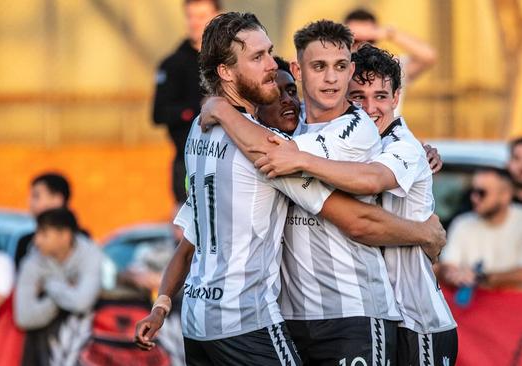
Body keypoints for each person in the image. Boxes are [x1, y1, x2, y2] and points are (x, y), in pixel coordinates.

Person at [134, 13, 446, 365]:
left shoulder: (201, 132)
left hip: (226, 320)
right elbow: (357, 220)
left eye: (341, 66)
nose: (270, 66)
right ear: (226, 72)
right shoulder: (267, 150)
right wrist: (423, 233)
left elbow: (192, 240)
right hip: (248, 320)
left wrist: (162, 305)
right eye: (258, 58)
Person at [253, 44, 457, 365]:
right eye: (359, 96)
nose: (370, 107)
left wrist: (298, 160)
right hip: (370, 311)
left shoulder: (403, 148)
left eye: (380, 96)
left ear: (396, 98)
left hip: (417, 317)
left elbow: (369, 189)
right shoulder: (344, 140)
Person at [152, 0, 221, 207]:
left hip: (229, 161)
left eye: (202, 16)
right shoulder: (173, 64)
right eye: (191, 16)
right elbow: (158, 114)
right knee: (188, 230)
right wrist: (199, 110)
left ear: (218, 16)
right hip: (188, 162)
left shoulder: (231, 59)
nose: (195, 23)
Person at [14, 207, 102, 366]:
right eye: (37, 233)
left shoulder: (91, 254)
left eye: (44, 234)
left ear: (65, 236)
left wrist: (49, 285)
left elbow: (83, 304)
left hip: (84, 347)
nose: (37, 240)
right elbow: (24, 318)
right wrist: (64, 292)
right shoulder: (31, 262)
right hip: (43, 350)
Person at [438, 168, 522, 287]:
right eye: (472, 191)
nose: (474, 198)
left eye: (481, 192)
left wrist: (482, 278)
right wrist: (453, 275)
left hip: (517, 301)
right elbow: (449, 265)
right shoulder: (462, 223)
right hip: (471, 301)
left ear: (505, 195)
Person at [344, 8, 437, 116]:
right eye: (356, 40)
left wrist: (390, 34)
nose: (362, 46)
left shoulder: (393, 68)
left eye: (370, 40)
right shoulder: (335, 70)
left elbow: (428, 56)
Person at [14, 173, 88, 269]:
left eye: (36, 196)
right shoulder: (25, 243)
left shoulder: (81, 240)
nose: (29, 202)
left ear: (57, 199)